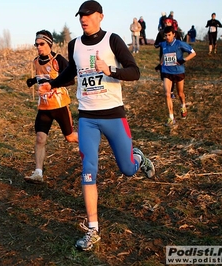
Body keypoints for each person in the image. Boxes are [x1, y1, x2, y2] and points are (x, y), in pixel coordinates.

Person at [40, 0, 155, 251]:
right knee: (88, 169)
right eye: (81, 15)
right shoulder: (75, 45)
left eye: (89, 15)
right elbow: (72, 71)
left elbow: (134, 72)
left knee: (127, 169)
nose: (84, 18)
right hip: (88, 118)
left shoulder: (112, 40)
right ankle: (93, 230)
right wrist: (54, 84)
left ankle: (138, 159)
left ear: (100, 17)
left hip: (114, 115)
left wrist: (111, 70)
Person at [24, 30, 78, 183]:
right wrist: (33, 81)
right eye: (37, 44)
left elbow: (70, 80)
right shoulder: (36, 61)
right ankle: (38, 173)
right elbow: (43, 76)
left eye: (42, 44)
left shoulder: (58, 59)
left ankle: (89, 145)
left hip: (59, 106)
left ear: (49, 44)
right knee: (40, 139)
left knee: (70, 137)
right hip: (44, 108)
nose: (39, 47)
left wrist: (53, 85)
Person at [159, 26, 196, 127]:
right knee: (167, 94)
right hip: (167, 71)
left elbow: (193, 53)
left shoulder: (180, 44)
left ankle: (183, 106)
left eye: (169, 35)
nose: (167, 37)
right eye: (165, 35)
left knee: (180, 93)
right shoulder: (163, 44)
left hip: (178, 72)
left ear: (174, 34)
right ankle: (171, 118)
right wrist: (161, 62)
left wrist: (183, 60)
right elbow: (164, 53)